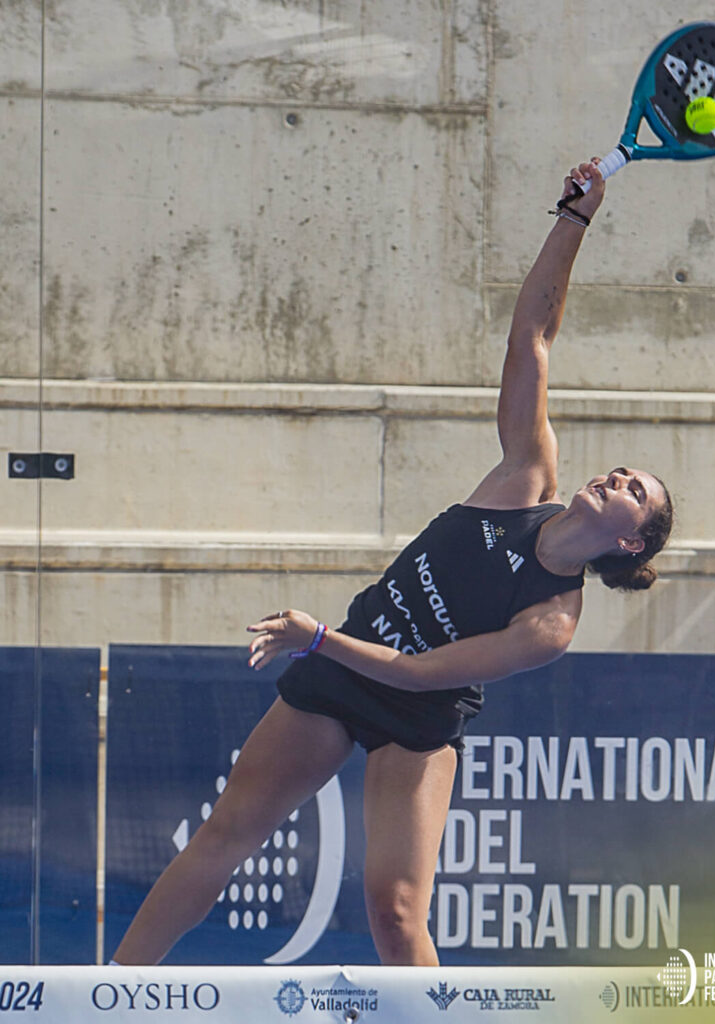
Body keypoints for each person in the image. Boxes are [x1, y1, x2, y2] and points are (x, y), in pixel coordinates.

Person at [112, 159, 673, 968]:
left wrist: (317, 639)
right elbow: (531, 337)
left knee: (397, 913)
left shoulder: (550, 622)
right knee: (225, 834)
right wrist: (574, 218)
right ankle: (111, 995)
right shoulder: (524, 477)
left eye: (634, 492)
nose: (616, 478)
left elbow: (417, 676)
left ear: (629, 544)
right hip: (340, 668)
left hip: (416, 716)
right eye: (620, 470)